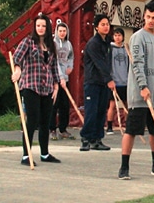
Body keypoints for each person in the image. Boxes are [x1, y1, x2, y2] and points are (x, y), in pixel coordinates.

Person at [118, 1, 154, 180]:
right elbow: (137, 64)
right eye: (148, 17)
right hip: (140, 95)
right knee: (132, 130)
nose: (151, 21)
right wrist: (143, 86)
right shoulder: (138, 37)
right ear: (144, 17)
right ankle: (124, 167)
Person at [11, 13, 63, 165]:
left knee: (45, 121)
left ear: (48, 28)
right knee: (32, 120)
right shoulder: (28, 42)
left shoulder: (51, 45)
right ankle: (26, 155)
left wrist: (56, 85)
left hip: (46, 86)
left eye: (43, 26)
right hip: (30, 85)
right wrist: (18, 70)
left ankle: (45, 153)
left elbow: (54, 67)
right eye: (38, 26)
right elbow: (17, 57)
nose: (40, 28)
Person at [80, 14, 114, 152]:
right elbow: (99, 63)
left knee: (101, 111)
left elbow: (107, 63)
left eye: (107, 24)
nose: (106, 27)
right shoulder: (93, 43)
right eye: (103, 24)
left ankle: (97, 139)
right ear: (96, 27)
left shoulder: (108, 43)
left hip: (103, 83)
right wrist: (109, 79)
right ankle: (86, 138)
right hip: (92, 81)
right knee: (91, 111)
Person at [49, 22, 75, 141]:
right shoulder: (53, 44)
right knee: (54, 104)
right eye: (60, 31)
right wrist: (60, 78)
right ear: (56, 32)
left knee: (65, 105)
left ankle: (63, 129)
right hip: (55, 79)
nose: (62, 33)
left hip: (66, 77)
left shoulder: (69, 44)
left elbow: (70, 57)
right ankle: (52, 129)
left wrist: (70, 67)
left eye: (64, 31)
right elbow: (54, 61)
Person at [106, 27, 129, 135]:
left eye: (119, 35)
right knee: (112, 105)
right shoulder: (110, 48)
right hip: (114, 81)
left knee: (126, 104)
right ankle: (109, 126)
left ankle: (128, 125)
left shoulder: (126, 48)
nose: (117, 37)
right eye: (115, 35)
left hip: (125, 81)